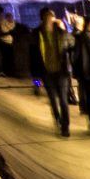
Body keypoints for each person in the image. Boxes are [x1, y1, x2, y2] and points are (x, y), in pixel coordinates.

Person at [29, 8, 74, 138]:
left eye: (52, 16)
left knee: (64, 101)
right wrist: (36, 83)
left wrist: (64, 27)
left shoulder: (60, 32)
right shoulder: (36, 34)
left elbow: (72, 44)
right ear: (42, 18)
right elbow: (32, 59)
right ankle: (58, 120)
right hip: (45, 72)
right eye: (47, 16)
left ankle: (65, 126)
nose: (50, 19)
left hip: (62, 72)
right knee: (53, 100)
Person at [0, 10, 17, 75]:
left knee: (10, 57)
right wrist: (10, 32)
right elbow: (2, 32)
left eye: (11, 17)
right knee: (5, 58)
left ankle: (10, 71)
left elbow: (13, 31)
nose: (11, 18)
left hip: (10, 43)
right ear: (7, 18)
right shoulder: (3, 23)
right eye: (9, 17)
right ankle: (6, 71)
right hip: (4, 42)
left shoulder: (12, 24)